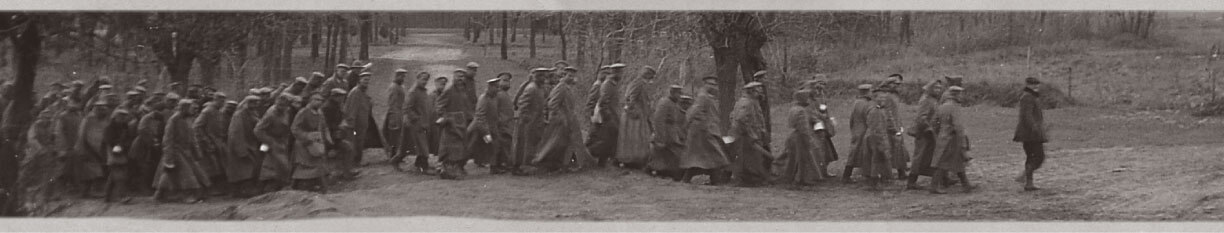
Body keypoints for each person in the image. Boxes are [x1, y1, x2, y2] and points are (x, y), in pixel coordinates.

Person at [533, 70, 595, 172]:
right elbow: (552, 104)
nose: (572, 78)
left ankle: (571, 165)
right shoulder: (561, 87)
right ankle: (541, 162)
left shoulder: (567, 87)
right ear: (563, 76)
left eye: (573, 76)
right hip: (563, 121)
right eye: (569, 76)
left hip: (570, 120)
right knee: (554, 143)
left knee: (572, 142)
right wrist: (562, 118)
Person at [153, 99, 212, 203]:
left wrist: (197, 152)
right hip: (175, 151)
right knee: (184, 175)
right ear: (184, 108)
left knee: (190, 173)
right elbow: (168, 139)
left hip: (186, 152)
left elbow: (192, 137)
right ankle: (179, 195)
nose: (191, 110)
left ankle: (166, 195)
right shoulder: (174, 120)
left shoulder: (188, 119)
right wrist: (169, 156)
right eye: (189, 107)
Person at [679, 76, 730, 185]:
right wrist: (686, 126)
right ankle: (712, 179)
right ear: (705, 85)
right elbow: (693, 112)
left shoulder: (707, 97)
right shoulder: (703, 97)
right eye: (711, 84)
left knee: (709, 157)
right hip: (702, 133)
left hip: (707, 131)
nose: (714, 87)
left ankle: (714, 179)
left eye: (715, 85)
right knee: (714, 155)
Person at [930, 86, 974, 194]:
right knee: (943, 163)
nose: (962, 96)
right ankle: (934, 186)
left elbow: (934, 123)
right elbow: (958, 126)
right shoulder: (954, 107)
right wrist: (963, 142)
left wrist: (940, 133)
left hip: (943, 137)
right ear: (956, 95)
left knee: (957, 161)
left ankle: (966, 185)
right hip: (953, 139)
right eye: (960, 94)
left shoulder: (942, 106)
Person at [728, 82, 770, 187]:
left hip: (747, 135)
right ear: (752, 91)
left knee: (751, 158)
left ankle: (750, 179)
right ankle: (748, 180)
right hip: (745, 136)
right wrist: (751, 134)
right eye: (758, 90)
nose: (760, 92)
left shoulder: (750, 102)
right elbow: (740, 119)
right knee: (750, 158)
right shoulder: (747, 103)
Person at [906, 80, 946, 190]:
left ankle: (942, 178)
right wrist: (929, 129)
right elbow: (921, 118)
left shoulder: (934, 100)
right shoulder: (926, 100)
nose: (938, 90)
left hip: (930, 131)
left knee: (930, 156)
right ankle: (911, 181)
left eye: (939, 88)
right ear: (930, 89)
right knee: (919, 157)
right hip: (923, 132)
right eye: (935, 88)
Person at [73, 97, 116, 198]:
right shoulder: (88, 119)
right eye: (101, 110)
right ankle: (86, 192)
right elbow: (82, 135)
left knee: (95, 170)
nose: (104, 112)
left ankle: (91, 191)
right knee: (89, 171)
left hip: (98, 148)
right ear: (96, 109)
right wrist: (85, 149)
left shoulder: (105, 119)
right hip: (85, 148)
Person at [392, 72, 435, 173]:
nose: (425, 82)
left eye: (426, 80)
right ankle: (424, 168)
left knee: (410, 146)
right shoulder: (413, 91)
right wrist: (417, 119)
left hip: (422, 124)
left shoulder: (423, 91)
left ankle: (419, 164)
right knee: (422, 147)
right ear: (418, 79)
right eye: (423, 79)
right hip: (415, 125)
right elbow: (406, 108)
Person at [778, 90, 822, 188]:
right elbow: (804, 128)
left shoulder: (793, 109)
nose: (808, 100)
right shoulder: (801, 111)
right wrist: (809, 139)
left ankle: (794, 178)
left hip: (793, 135)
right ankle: (800, 179)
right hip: (800, 137)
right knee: (802, 159)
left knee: (794, 158)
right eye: (806, 98)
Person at [615, 66, 657, 168]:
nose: (651, 77)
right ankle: (629, 161)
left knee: (639, 138)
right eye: (650, 75)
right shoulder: (637, 83)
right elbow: (630, 98)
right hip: (634, 116)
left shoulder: (642, 83)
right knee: (633, 138)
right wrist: (633, 111)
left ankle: (636, 161)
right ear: (646, 74)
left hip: (640, 114)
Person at [510, 69, 550, 175]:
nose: (543, 79)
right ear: (536, 77)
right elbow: (522, 103)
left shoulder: (540, 89)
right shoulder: (531, 88)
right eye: (541, 76)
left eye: (544, 77)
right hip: (528, 122)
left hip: (536, 121)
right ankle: (522, 166)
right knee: (524, 144)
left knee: (532, 144)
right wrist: (526, 118)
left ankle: (528, 164)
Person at [858, 89, 899, 191]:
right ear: (875, 98)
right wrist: (882, 142)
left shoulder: (879, 109)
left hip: (874, 137)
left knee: (877, 160)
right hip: (875, 138)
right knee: (877, 160)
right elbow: (877, 128)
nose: (883, 100)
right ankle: (874, 182)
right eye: (880, 98)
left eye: (884, 98)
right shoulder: (875, 111)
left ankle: (876, 181)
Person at [291, 93, 332, 193]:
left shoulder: (320, 113)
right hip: (304, 144)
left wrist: (326, 138)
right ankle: (299, 186)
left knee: (319, 164)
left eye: (321, 100)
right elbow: (294, 128)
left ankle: (321, 187)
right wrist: (306, 136)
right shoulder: (303, 112)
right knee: (305, 166)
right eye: (316, 100)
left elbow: (324, 126)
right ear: (311, 100)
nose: (319, 102)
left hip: (317, 143)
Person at [255, 94, 297, 192]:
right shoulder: (271, 114)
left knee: (278, 164)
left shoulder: (286, 111)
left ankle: (277, 185)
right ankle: (268, 186)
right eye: (279, 105)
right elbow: (257, 130)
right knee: (275, 164)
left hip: (281, 141)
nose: (281, 107)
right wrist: (270, 141)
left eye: (284, 105)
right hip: (269, 141)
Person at [344, 72, 382, 176]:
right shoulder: (355, 92)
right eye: (365, 79)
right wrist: (351, 125)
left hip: (362, 124)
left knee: (360, 143)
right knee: (355, 143)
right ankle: (354, 164)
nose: (366, 82)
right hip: (355, 125)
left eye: (368, 80)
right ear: (359, 80)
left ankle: (357, 162)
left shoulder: (363, 92)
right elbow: (351, 110)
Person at [225, 95, 264, 198]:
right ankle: (240, 191)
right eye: (252, 102)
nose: (255, 105)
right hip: (241, 146)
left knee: (250, 168)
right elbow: (236, 133)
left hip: (251, 145)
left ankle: (245, 189)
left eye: (256, 102)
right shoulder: (239, 115)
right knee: (242, 169)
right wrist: (241, 150)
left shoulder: (253, 113)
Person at [435, 74, 473, 179]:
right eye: (458, 76)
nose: (460, 79)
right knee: (450, 149)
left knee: (460, 147)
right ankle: (446, 171)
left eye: (462, 77)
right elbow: (439, 105)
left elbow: (465, 105)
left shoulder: (462, 90)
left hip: (461, 123)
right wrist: (444, 117)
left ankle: (456, 168)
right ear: (454, 77)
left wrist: (470, 117)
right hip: (451, 124)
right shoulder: (449, 90)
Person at [1014, 77, 1048, 191]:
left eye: (1037, 85)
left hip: (1030, 133)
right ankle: (1025, 178)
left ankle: (1028, 181)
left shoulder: (1030, 96)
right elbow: (1027, 115)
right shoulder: (1028, 97)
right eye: (1034, 85)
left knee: (1032, 157)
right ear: (1028, 85)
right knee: (1038, 157)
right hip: (1030, 134)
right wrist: (1035, 128)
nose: (1036, 88)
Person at [193, 92, 229, 196]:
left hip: (218, 142)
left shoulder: (219, 111)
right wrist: (206, 141)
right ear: (215, 100)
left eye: (223, 101)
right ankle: (207, 189)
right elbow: (197, 126)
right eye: (220, 100)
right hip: (208, 144)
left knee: (220, 166)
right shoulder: (207, 111)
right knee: (210, 167)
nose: (222, 103)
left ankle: (218, 188)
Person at [465, 79, 505, 174]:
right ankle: (457, 165)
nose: (498, 89)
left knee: (494, 146)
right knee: (470, 148)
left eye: (498, 87)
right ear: (490, 87)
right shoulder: (484, 98)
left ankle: (494, 167)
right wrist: (486, 133)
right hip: (479, 130)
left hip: (491, 128)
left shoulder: (494, 98)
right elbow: (480, 116)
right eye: (496, 87)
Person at [647, 85, 685, 181]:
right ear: (672, 93)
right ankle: (656, 170)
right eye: (678, 94)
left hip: (672, 132)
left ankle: (666, 172)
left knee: (670, 154)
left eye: (680, 94)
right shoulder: (664, 103)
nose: (680, 96)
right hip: (665, 132)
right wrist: (660, 136)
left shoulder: (673, 103)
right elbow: (658, 120)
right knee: (675, 153)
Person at [590, 63, 625, 166]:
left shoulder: (613, 84)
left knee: (609, 140)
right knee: (604, 141)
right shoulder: (608, 84)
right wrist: (608, 117)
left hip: (613, 116)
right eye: (619, 73)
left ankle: (605, 160)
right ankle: (597, 158)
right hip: (608, 117)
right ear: (614, 73)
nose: (621, 75)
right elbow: (603, 102)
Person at [878, 75, 910, 179]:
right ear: (889, 85)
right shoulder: (886, 96)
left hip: (896, 126)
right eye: (896, 84)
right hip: (890, 128)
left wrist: (899, 125)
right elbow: (888, 114)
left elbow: (896, 113)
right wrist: (893, 128)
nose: (898, 86)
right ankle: (887, 173)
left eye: (899, 85)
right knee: (890, 150)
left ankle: (901, 172)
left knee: (899, 150)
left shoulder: (894, 96)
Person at [101, 108, 137, 203]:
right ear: (115, 116)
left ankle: (107, 196)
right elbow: (108, 140)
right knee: (119, 175)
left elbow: (129, 138)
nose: (122, 118)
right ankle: (122, 196)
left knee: (114, 175)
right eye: (120, 116)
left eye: (124, 116)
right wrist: (119, 145)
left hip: (122, 151)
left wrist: (124, 145)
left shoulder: (125, 127)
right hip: (112, 152)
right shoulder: (109, 127)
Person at [841, 84, 873, 183]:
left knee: (854, 152)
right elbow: (868, 118)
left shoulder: (856, 102)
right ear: (867, 92)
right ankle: (848, 175)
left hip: (856, 130)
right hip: (864, 130)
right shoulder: (867, 104)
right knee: (862, 152)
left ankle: (848, 174)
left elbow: (852, 118)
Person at [384, 69, 409, 165]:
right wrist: (395, 115)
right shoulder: (393, 87)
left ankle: (397, 155)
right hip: (394, 114)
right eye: (401, 76)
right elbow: (392, 103)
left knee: (399, 136)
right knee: (394, 135)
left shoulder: (401, 86)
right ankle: (393, 156)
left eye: (404, 76)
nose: (403, 78)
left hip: (400, 112)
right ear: (397, 76)